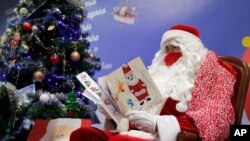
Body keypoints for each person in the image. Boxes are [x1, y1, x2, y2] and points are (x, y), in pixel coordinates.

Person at [70, 24, 236, 141]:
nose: (170, 54)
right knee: (82, 135)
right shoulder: (154, 75)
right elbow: (131, 112)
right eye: (166, 49)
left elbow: (216, 117)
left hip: (164, 137)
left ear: (192, 51)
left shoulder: (210, 74)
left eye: (176, 48)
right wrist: (111, 110)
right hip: (134, 132)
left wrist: (158, 124)